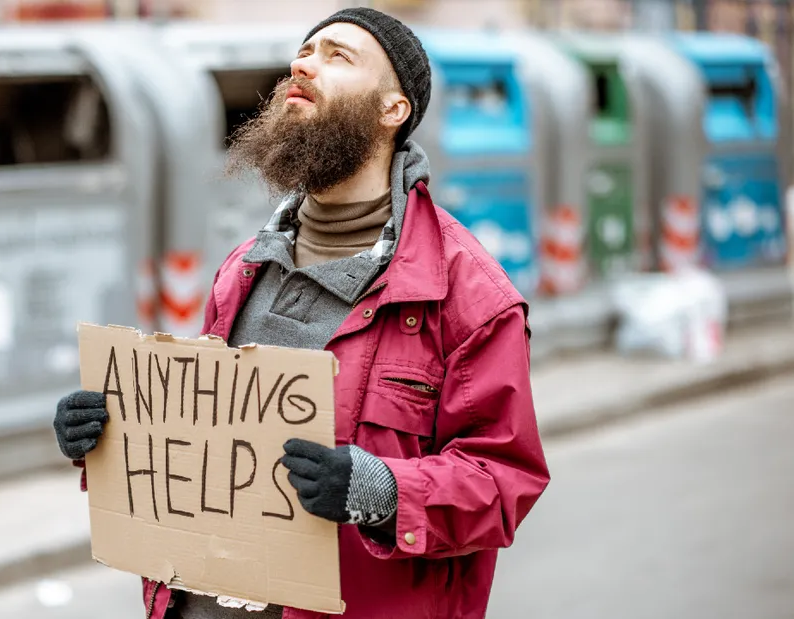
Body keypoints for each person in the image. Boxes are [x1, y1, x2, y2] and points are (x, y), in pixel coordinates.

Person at [53, 8, 550, 619]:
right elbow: (211, 438)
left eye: (337, 56)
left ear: (393, 111)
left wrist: (384, 492)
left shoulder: (467, 293)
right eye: (304, 52)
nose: (303, 63)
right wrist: (109, 437)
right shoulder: (244, 267)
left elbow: (504, 481)